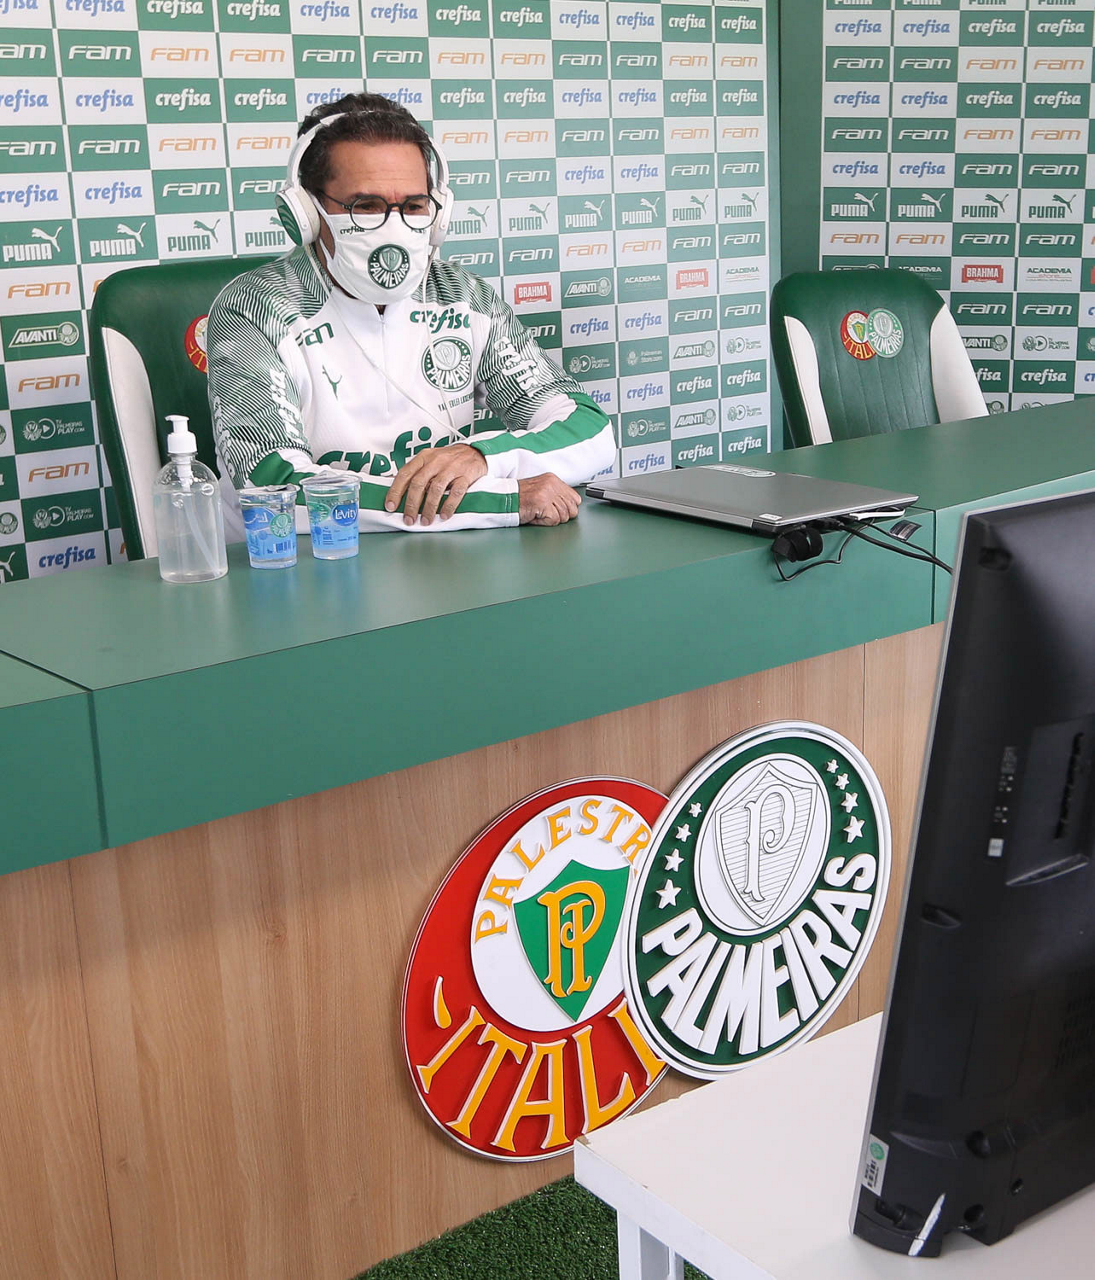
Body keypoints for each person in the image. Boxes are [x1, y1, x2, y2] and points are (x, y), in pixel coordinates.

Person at [207, 94, 617, 536]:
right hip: (303, 560)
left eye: (414, 206)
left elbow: (589, 430)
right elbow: (274, 488)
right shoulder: (254, 308)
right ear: (306, 213)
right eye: (366, 206)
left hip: (442, 561)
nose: (394, 227)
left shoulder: (464, 296)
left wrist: (482, 458)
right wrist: (504, 500)